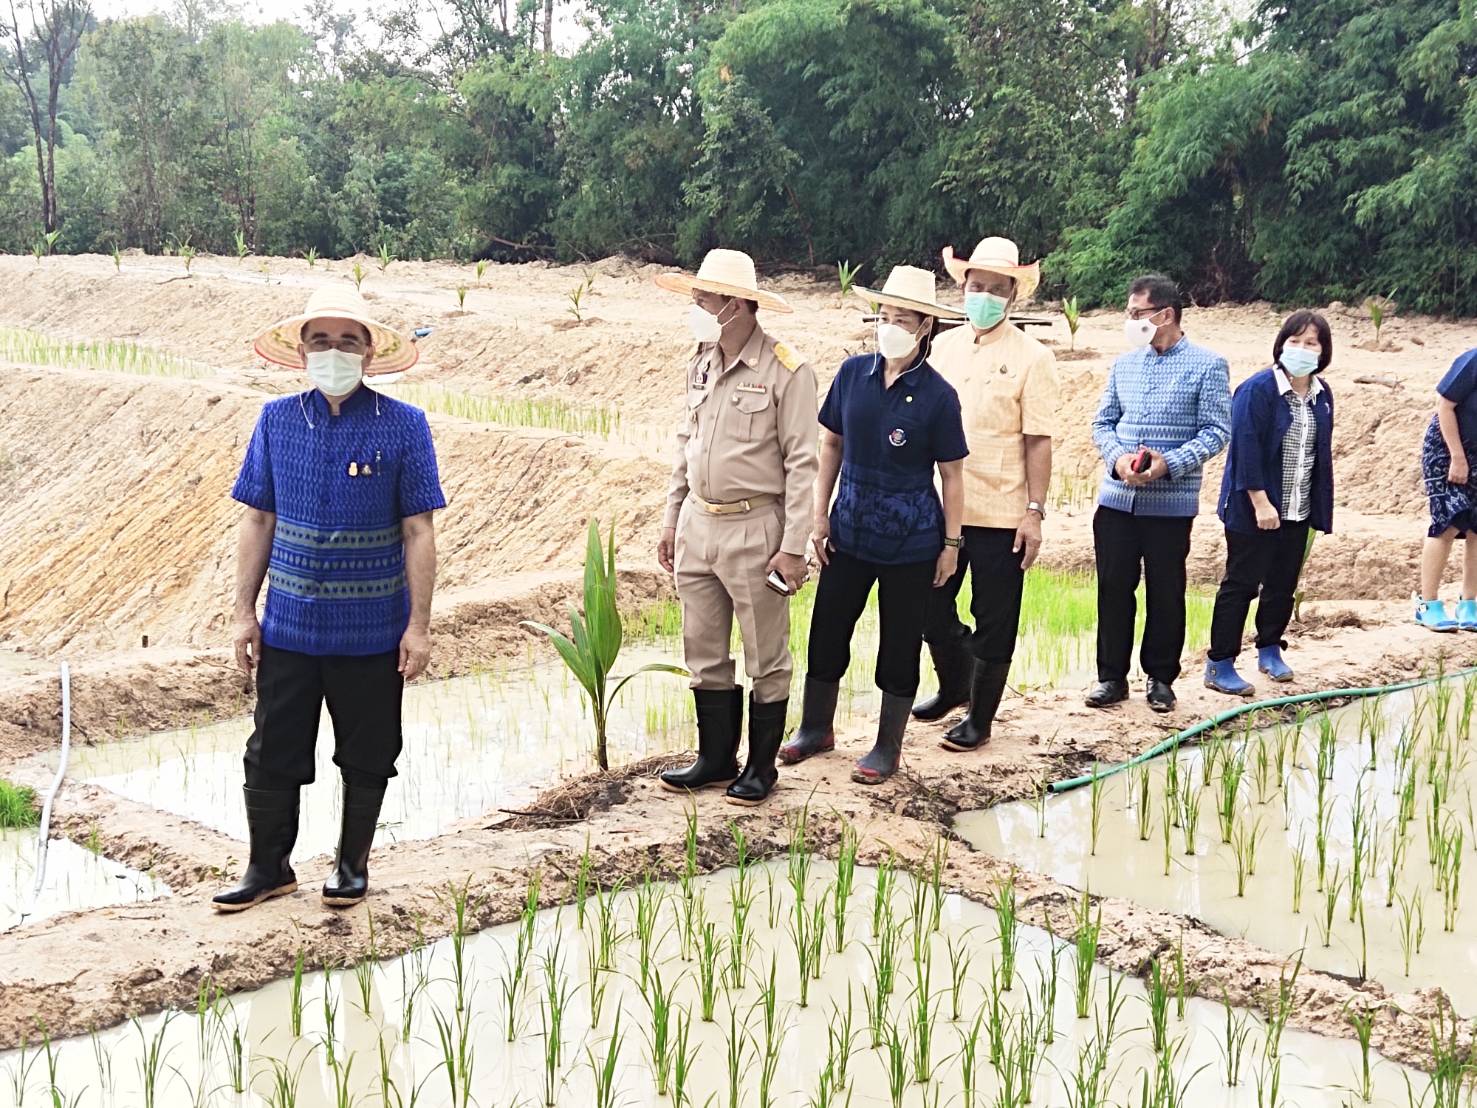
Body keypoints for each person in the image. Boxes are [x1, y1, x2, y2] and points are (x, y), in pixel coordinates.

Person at [214, 287, 444, 912]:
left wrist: (418, 627)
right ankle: (268, 869)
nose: (333, 352)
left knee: (369, 752)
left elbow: (418, 530)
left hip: (372, 630)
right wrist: (243, 613)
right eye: (321, 341)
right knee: (271, 750)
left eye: (347, 341)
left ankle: (351, 865)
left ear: (368, 353)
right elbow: (258, 519)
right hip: (288, 626)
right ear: (301, 352)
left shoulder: (404, 425)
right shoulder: (277, 420)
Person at [777, 266, 967, 781]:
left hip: (912, 540)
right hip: (849, 530)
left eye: (902, 318)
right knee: (827, 629)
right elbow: (831, 444)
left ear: (925, 326)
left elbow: (952, 476)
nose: (890, 326)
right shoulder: (852, 374)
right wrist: (819, 514)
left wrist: (951, 544)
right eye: (884, 316)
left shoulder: (939, 396)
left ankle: (887, 746)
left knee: (899, 642)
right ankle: (815, 728)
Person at [654, 249, 820, 805]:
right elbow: (687, 443)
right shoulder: (701, 361)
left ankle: (761, 767)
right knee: (702, 648)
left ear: (737, 305)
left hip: (755, 526)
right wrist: (672, 517)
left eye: (704, 300)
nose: (696, 309)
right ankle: (715, 758)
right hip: (699, 522)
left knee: (765, 654)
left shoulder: (786, 370)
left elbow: (802, 465)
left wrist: (792, 548)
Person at [912, 237, 1058, 752]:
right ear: (963, 287)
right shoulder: (941, 348)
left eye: (997, 289)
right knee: (928, 603)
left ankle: (980, 717)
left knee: (996, 616)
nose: (985, 297)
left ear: (1013, 295)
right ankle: (955, 682)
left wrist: (1034, 512)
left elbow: (1038, 440)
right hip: (940, 507)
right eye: (977, 287)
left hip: (1002, 510)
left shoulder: (1033, 358)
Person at [1088, 274, 1230, 713]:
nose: (1131, 320)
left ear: (1165, 314)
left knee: (1166, 591)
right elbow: (1102, 423)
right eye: (1130, 312)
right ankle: (1111, 678)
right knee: (1113, 588)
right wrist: (1118, 460)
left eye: (1138, 313)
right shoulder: (1124, 365)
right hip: (1117, 498)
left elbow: (1216, 431)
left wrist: (1168, 464)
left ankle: (1161, 678)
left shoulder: (1208, 365)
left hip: (1170, 503)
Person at [1205, 311, 1335, 694]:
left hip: (1298, 506)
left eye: (1311, 343)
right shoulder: (1258, 390)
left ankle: (1269, 648)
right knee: (1241, 584)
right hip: (1254, 509)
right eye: (1294, 341)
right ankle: (1220, 663)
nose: (1301, 349)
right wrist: (1261, 502)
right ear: (1281, 345)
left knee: (1282, 584)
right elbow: (1245, 450)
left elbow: (1318, 454)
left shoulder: (1322, 395)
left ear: (1323, 351)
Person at [1416, 347, 1477, 632]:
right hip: (1447, 448)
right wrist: (1457, 457)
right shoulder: (1472, 360)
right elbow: (1445, 406)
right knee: (1448, 522)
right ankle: (1427, 604)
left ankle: (1469, 603)